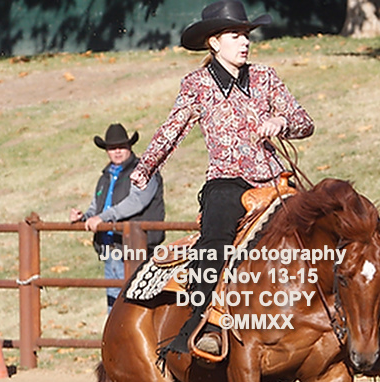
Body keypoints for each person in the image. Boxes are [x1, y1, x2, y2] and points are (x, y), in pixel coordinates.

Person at [129, 0, 314, 355]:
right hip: (227, 181)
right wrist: (145, 167)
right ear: (214, 42)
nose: (245, 42)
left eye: (246, 35)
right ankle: (205, 322)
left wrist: (281, 122)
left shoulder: (266, 77)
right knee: (215, 240)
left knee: (323, 229)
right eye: (235, 35)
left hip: (275, 180)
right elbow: (172, 129)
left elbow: (304, 122)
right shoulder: (196, 84)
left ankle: (352, 327)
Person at [70, 123, 165, 312]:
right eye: (112, 148)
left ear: (130, 147)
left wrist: (103, 218)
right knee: (115, 309)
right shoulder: (105, 177)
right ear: (106, 151)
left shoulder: (144, 171)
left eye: (121, 146)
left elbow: (136, 202)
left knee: (135, 309)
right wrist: (84, 217)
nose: (117, 151)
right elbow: (96, 207)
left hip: (137, 250)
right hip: (112, 250)